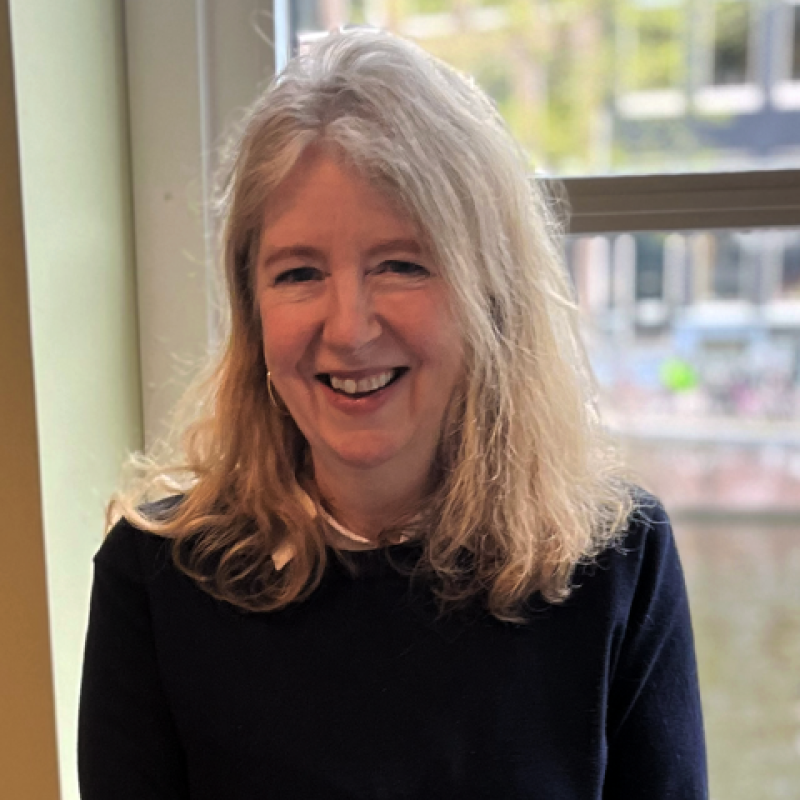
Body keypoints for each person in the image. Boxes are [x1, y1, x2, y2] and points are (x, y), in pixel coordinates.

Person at [78, 28, 707, 799]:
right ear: (250, 309)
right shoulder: (153, 580)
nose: (349, 330)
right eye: (299, 273)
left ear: (490, 294)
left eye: (401, 265)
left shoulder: (616, 565)